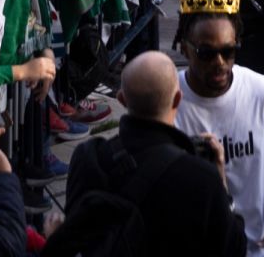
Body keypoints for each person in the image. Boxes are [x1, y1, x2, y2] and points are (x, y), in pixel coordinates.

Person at [59, 52, 245, 257]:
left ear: (121, 99)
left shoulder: (89, 159)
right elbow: (234, 249)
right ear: (177, 99)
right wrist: (223, 186)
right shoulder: (201, 176)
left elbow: (76, 232)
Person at [172, 0, 264, 257]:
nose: (219, 63)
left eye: (228, 51)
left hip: (254, 248)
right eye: (206, 53)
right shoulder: (166, 99)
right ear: (185, 48)